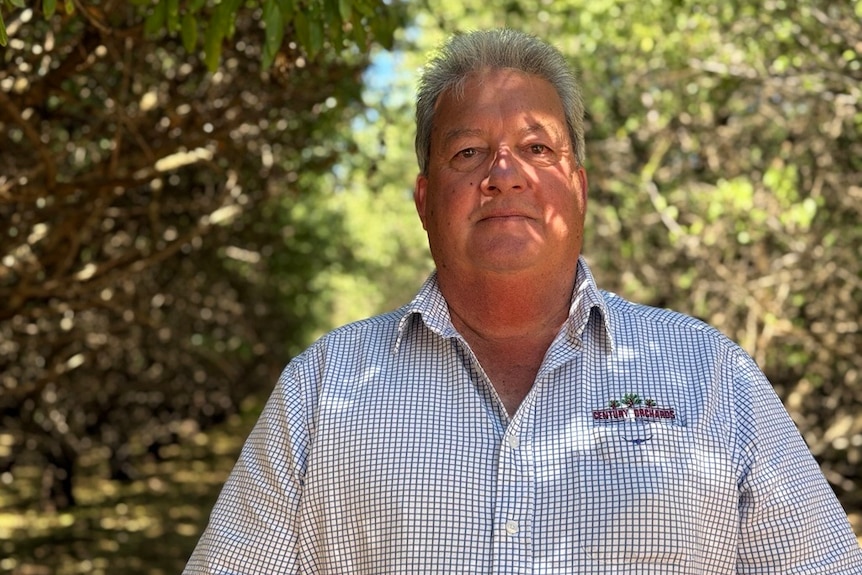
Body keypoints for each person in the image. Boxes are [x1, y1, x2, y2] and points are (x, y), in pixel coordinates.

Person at [183, 29, 862, 573]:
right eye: (470, 152)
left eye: (537, 147)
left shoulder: (711, 376)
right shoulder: (320, 392)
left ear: (579, 188)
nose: (504, 174)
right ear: (425, 201)